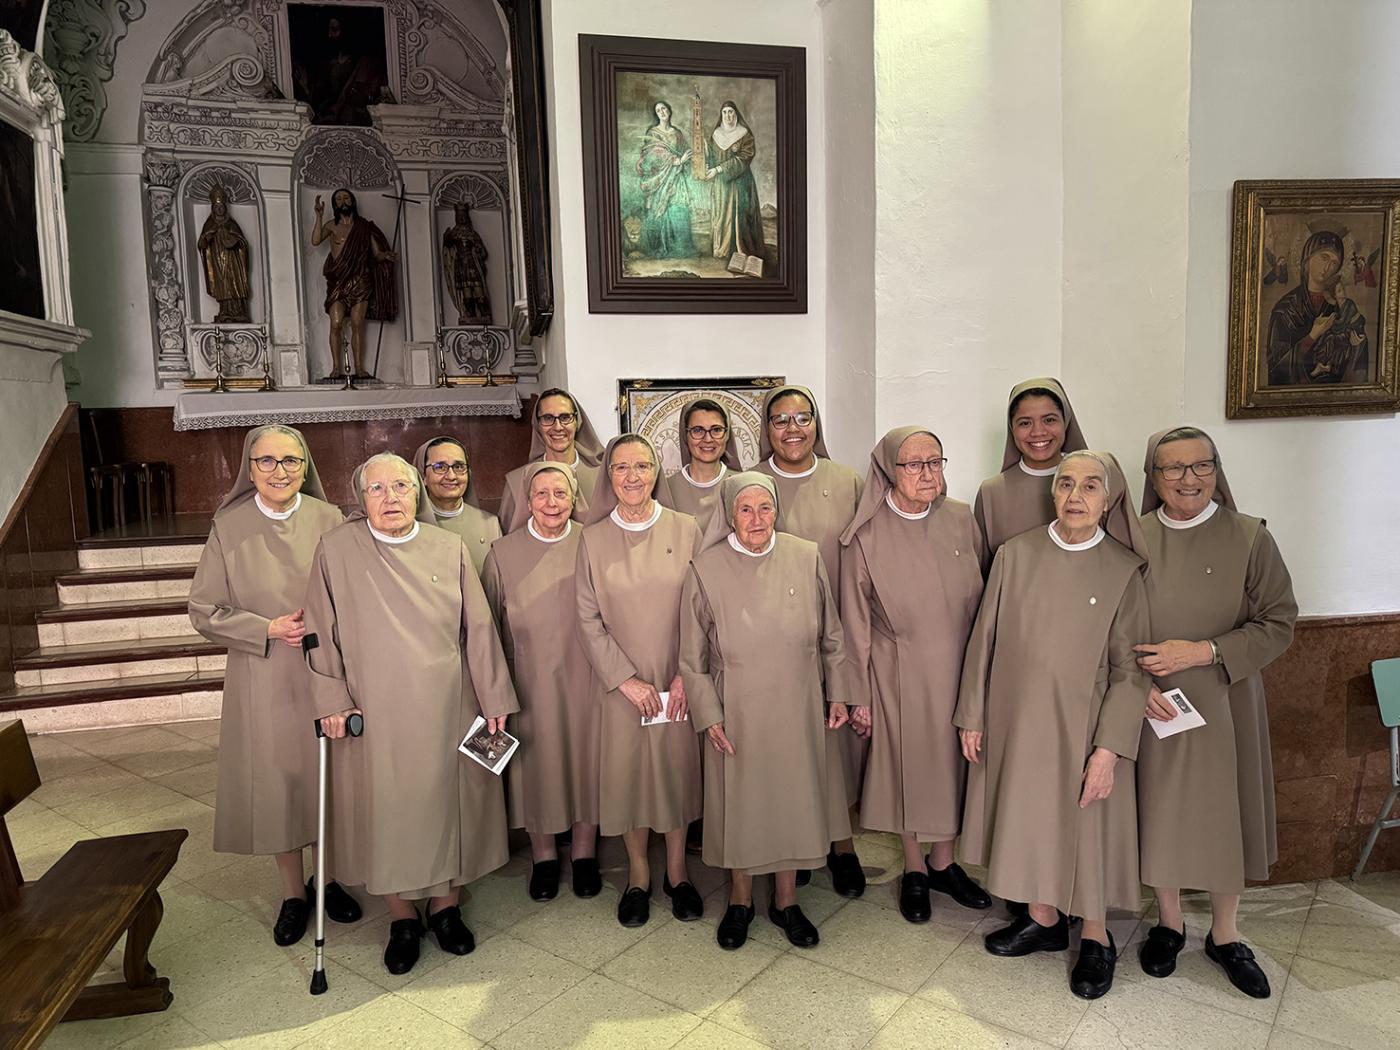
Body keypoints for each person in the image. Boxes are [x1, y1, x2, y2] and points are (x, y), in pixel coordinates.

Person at [304, 453, 519, 976]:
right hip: (373, 708)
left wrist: (494, 697)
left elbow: (479, 629)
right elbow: (319, 630)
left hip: (448, 703)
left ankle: (445, 908)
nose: (391, 498)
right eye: (377, 489)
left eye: (400, 486)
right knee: (389, 811)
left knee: (448, 806)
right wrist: (331, 698)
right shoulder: (336, 549)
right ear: (361, 498)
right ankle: (401, 917)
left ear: (417, 491)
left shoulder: (448, 547)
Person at [955, 451, 1150, 1001]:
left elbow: (1130, 670)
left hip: (1084, 726)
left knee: (1087, 825)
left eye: (1090, 486)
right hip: (1016, 717)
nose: (1075, 496)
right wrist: (972, 714)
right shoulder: (1015, 555)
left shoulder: (1123, 569)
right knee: (1031, 817)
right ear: (1052, 492)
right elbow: (984, 640)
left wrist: (1109, 750)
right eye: (1065, 484)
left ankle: (1095, 936)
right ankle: (1042, 918)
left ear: (1108, 499)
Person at [1134, 427, 1297, 999]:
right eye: (1173, 468)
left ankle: (1226, 934)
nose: (1188, 479)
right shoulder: (1133, 536)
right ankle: (1169, 922)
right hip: (1157, 702)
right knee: (1161, 809)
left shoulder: (1250, 536)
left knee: (1228, 811)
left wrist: (1203, 652)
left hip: (1228, 699)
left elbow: (1279, 621)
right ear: (1153, 478)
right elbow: (1111, 622)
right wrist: (1134, 685)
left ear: (1216, 470)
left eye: (1200, 466)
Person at [189, 425, 360, 946]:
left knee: (326, 776)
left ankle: (327, 880)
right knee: (279, 782)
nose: (279, 471)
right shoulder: (229, 526)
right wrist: (266, 628)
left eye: (290, 461)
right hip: (262, 673)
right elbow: (203, 609)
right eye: (267, 461)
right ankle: (292, 894)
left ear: (306, 467)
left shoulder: (330, 519)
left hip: (324, 668)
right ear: (250, 468)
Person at [681, 473, 850, 950]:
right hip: (736, 707)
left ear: (777, 510)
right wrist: (709, 715)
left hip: (798, 702)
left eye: (765, 508)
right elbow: (691, 658)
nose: (757, 519)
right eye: (745, 509)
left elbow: (832, 635)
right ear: (729, 515)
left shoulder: (805, 555)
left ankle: (786, 900)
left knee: (792, 800)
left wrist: (838, 693)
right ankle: (740, 901)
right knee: (743, 806)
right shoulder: (705, 567)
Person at [839, 427, 991, 924]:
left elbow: (985, 594)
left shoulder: (961, 518)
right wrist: (858, 695)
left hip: (962, 664)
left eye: (935, 462)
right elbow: (854, 622)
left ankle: (944, 863)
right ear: (889, 470)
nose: (927, 473)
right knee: (908, 767)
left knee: (955, 763)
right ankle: (914, 869)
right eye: (914, 464)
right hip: (897, 670)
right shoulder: (865, 535)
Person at [575, 434, 703, 928]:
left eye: (642, 466)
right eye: (621, 468)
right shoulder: (592, 539)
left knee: (674, 774)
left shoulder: (686, 528)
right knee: (629, 778)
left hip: (676, 677)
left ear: (655, 472)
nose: (632, 477)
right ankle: (638, 874)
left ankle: (678, 873)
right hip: (620, 685)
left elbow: (701, 607)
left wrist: (686, 671)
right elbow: (587, 619)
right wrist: (625, 680)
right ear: (608, 476)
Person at [754, 385, 865, 896]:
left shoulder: (846, 481)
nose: (792, 428)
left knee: (834, 749)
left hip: (836, 633)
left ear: (816, 424)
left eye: (802, 417)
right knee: (786, 750)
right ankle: (793, 843)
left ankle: (842, 845)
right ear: (767, 429)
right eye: (780, 420)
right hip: (773, 642)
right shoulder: (750, 482)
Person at [480, 462, 601, 903]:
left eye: (561, 493)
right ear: (527, 501)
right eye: (541, 494)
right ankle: (544, 855)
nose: (552, 503)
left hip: (588, 676)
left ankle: (584, 852)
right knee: (537, 768)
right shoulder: (501, 553)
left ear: (574, 498)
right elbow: (487, 627)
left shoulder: (593, 542)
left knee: (587, 762)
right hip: (528, 680)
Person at [972, 377, 1089, 574]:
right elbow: (984, 571)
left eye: (1049, 420)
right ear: (1012, 428)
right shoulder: (991, 492)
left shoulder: (1094, 483)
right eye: (1025, 423)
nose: (1038, 432)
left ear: (1066, 422)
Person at [309, 188, 398, 381]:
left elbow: (376, 254)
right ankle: (336, 368)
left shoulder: (364, 227)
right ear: (335, 204)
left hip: (360, 280)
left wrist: (385, 255)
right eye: (339, 199)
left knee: (358, 324)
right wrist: (319, 216)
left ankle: (359, 368)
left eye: (346, 198)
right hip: (338, 281)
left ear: (352, 201)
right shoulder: (332, 226)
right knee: (336, 323)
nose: (343, 201)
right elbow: (315, 241)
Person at [1265, 230, 1369, 385]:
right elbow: (1276, 369)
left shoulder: (1341, 307)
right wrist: (1312, 336)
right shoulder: (1285, 309)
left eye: (1334, 263)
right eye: (1324, 258)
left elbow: (1357, 350)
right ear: (1308, 257)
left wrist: (1357, 346)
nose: (1328, 267)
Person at [498, 388, 605, 531]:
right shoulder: (517, 482)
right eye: (548, 418)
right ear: (538, 425)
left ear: (577, 422)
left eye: (565, 417)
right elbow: (507, 539)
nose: (558, 427)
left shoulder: (603, 476)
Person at [412, 435, 501, 575]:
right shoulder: (410, 525)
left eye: (458, 467)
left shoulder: (490, 524)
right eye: (440, 467)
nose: (451, 476)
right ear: (423, 476)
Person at [700, 99, 767, 263]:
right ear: (721, 115)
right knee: (721, 214)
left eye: (731, 112)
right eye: (724, 112)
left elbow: (745, 157)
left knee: (740, 215)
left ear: (736, 114)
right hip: (721, 184)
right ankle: (722, 250)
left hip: (740, 182)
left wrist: (719, 169)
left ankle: (741, 249)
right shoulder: (716, 134)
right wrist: (706, 163)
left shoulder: (744, 134)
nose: (728, 116)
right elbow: (712, 158)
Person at [667, 397, 743, 531]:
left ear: (727, 435)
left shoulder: (742, 485)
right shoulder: (667, 490)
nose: (708, 439)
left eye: (716, 430)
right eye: (698, 430)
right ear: (686, 435)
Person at [636, 100, 696, 259]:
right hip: (660, 179)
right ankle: (661, 247)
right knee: (660, 211)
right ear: (656, 114)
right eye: (658, 110)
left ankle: (680, 247)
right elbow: (651, 154)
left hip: (676, 177)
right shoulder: (653, 133)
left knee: (679, 207)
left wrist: (687, 160)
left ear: (669, 111)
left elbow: (686, 152)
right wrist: (676, 160)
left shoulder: (677, 133)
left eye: (664, 108)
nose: (662, 112)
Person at [196, 184, 251, 323]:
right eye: (217, 208)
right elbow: (202, 244)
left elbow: (243, 243)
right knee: (222, 284)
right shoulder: (209, 224)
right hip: (217, 260)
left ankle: (238, 311)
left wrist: (235, 242)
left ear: (225, 208)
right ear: (213, 209)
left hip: (233, 259)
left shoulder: (231, 224)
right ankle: (225, 311)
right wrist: (207, 238)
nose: (219, 210)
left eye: (221, 207)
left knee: (234, 282)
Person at [442, 202, 492, 325]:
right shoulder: (454, 233)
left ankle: (483, 313)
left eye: (463, 215)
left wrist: (478, 250)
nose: (462, 218)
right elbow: (447, 246)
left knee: (478, 289)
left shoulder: (472, 234)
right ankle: (470, 314)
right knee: (466, 290)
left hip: (472, 263)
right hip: (461, 264)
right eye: (459, 216)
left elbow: (483, 252)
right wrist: (446, 238)